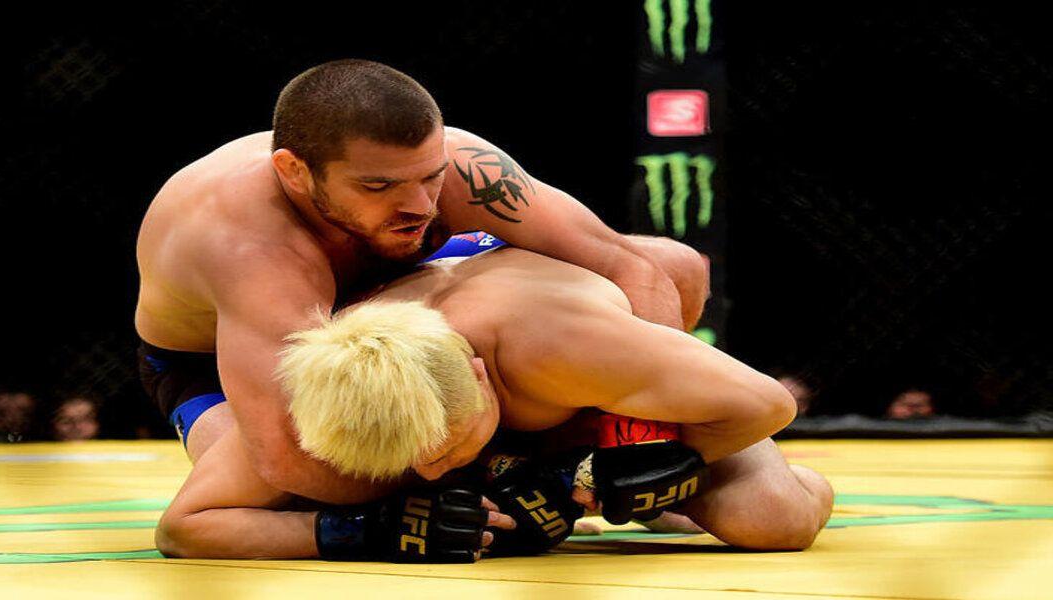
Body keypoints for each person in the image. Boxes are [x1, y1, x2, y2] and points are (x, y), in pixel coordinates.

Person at [134, 58, 708, 513]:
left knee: (676, 265)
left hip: (399, 309)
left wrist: (638, 437)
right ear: (294, 172)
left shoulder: (463, 166)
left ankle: (560, 459)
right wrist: (460, 483)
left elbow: (634, 268)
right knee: (281, 495)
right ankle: (517, 466)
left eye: (429, 177)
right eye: (378, 185)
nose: (418, 206)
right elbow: (286, 456)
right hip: (217, 368)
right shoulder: (245, 244)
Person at [155, 247, 834, 561]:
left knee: (771, 517)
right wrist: (356, 531)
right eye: (412, 466)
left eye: (448, 450)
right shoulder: (322, 394)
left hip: (588, 394)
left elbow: (765, 403)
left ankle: (662, 500)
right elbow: (184, 527)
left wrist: (617, 469)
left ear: (482, 379)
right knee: (311, 489)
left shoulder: (560, 346)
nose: (429, 475)